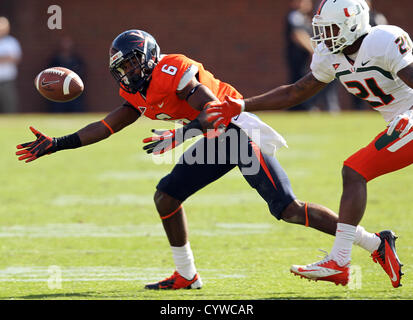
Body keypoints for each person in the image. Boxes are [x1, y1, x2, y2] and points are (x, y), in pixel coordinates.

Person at [17, 29, 388, 290]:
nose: (128, 72)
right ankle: (186, 275)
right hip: (215, 138)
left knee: (287, 209)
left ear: (148, 56)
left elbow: (212, 110)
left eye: (132, 64)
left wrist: (178, 136)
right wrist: (57, 144)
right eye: (122, 68)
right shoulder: (139, 89)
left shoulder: (171, 69)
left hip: (238, 131)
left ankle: (375, 244)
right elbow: (106, 125)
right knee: (166, 196)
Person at [207, 0, 409, 288]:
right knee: (354, 171)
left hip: (410, 117)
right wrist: (242, 106)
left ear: (354, 22)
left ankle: (339, 262)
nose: (326, 37)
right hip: (400, 122)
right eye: (323, 30)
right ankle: (349, 258)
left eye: (333, 28)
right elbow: (295, 92)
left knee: (354, 170)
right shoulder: (331, 55)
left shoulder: (384, 40)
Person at [48, 36, 86, 113]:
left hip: (72, 90)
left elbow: (81, 73)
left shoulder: (76, 60)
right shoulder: (55, 60)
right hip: (59, 90)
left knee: (76, 104)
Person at [0, 16, 21, 113]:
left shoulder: (11, 41)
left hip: (7, 81)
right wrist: (6, 57)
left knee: (9, 105)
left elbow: (15, 58)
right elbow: (9, 57)